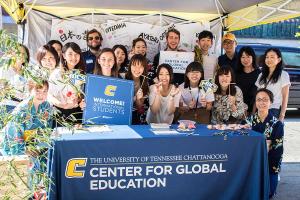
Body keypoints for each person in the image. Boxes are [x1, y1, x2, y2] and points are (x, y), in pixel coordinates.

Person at [248, 88, 284, 198]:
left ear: (271, 102)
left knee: (269, 193)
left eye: (265, 99)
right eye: (258, 100)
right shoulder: (247, 122)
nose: (262, 102)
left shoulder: (277, 124)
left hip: (270, 163)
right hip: (252, 162)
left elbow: (277, 148)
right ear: (255, 102)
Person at [48, 42, 86, 125]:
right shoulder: (57, 73)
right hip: (60, 113)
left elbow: (83, 95)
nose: (74, 57)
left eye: (76, 54)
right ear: (64, 56)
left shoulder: (81, 74)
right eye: (70, 54)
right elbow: (49, 95)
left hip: (77, 113)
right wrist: (63, 105)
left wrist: (79, 100)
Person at [255, 48, 290, 121]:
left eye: (272, 57)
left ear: (279, 59)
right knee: (259, 132)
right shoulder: (261, 75)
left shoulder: (283, 75)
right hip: (260, 110)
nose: (269, 59)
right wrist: (253, 111)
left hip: (274, 110)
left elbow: (285, 97)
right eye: (267, 57)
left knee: (272, 132)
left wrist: (282, 115)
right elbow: (257, 95)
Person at [0, 44, 30, 112]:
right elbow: (1, 91)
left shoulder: (28, 73)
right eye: (18, 53)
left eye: (23, 53)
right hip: (7, 106)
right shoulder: (5, 69)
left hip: (24, 108)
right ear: (12, 54)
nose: (21, 55)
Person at [125, 54, 149, 124]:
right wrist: (135, 98)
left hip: (134, 114)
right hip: (121, 112)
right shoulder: (123, 78)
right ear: (130, 66)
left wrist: (138, 99)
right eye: (134, 65)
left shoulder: (144, 83)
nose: (137, 69)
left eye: (141, 66)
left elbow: (139, 107)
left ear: (144, 68)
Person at [236, 46, 260, 115]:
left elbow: (259, 94)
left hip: (255, 110)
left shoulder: (259, 73)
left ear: (253, 58)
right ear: (239, 59)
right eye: (243, 57)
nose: (245, 60)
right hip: (239, 111)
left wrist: (253, 112)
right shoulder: (236, 73)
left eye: (248, 57)